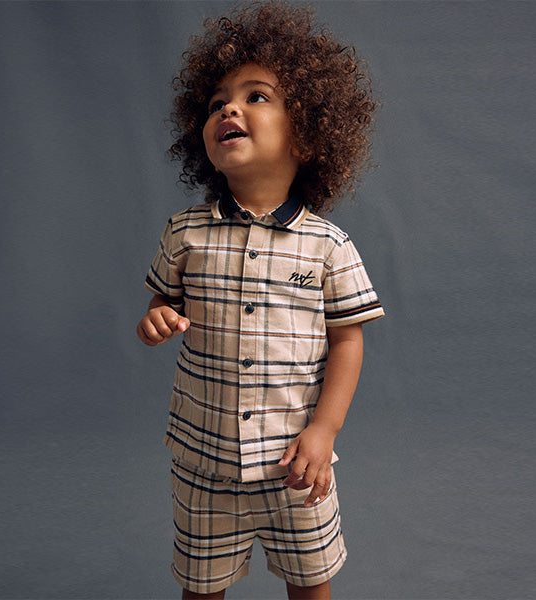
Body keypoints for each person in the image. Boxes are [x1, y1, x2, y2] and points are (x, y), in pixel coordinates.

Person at [136, 3, 384, 598]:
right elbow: (160, 305)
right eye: (217, 101)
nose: (229, 109)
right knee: (202, 586)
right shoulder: (184, 232)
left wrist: (324, 430)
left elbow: (347, 343)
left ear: (308, 131)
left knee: (311, 581)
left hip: (296, 460)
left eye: (256, 97)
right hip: (203, 460)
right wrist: (156, 320)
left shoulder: (328, 246)